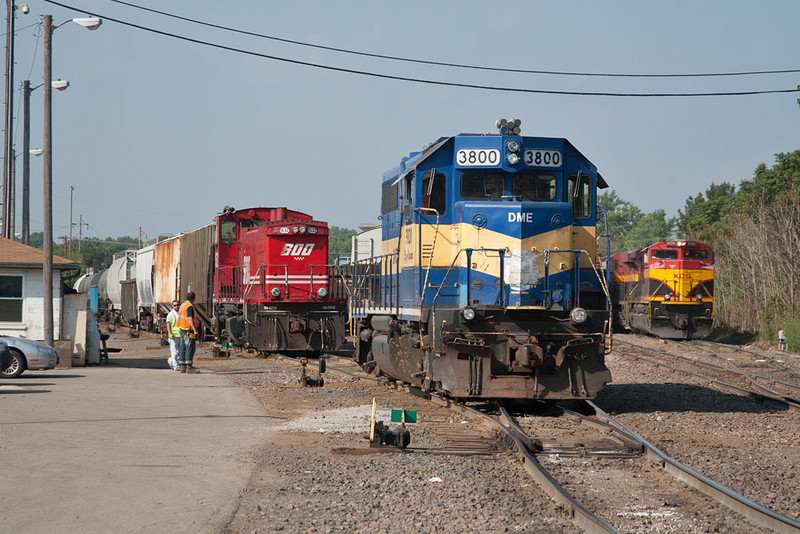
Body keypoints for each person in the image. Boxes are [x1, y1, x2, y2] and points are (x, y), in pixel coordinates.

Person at [176, 292, 200, 373]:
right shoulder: (189, 306)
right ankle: (189, 366)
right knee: (190, 346)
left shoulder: (183, 305)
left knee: (183, 346)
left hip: (182, 328)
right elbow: (190, 318)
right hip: (188, 329)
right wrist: (195, 329)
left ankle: (182, 366)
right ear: (194, 299)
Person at [165, 300, 181, 371]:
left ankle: (171, 361)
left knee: (180, 352)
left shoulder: (180, 313)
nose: (176, 306)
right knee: (174, 352)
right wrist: (169, 333)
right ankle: (176, 366)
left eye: (177, 305)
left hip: (180, 335)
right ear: (172, 306)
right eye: (175, 305)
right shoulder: (171, 314)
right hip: (173, 336)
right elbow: (168, 324)